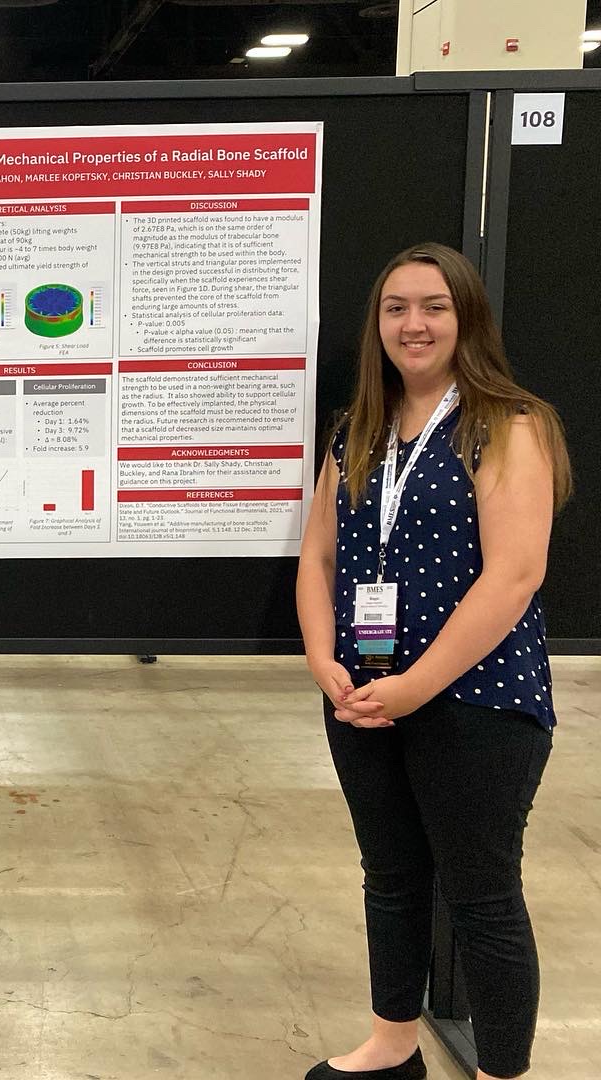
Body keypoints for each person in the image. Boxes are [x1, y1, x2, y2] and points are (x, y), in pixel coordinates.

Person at [296, 243, 571, 1080]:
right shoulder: (357, 429)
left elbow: (515, 574)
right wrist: (322, 657)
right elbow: (318, 557)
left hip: (476, 700)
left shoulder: (508, 423)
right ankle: (393, 1043)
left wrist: (415, 686)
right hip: (363, 696)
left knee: (482, 896)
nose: (413, 324)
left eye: (433, 306)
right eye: (396, 308)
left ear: (465, 318)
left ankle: (500, 1071)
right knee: (390, 877)